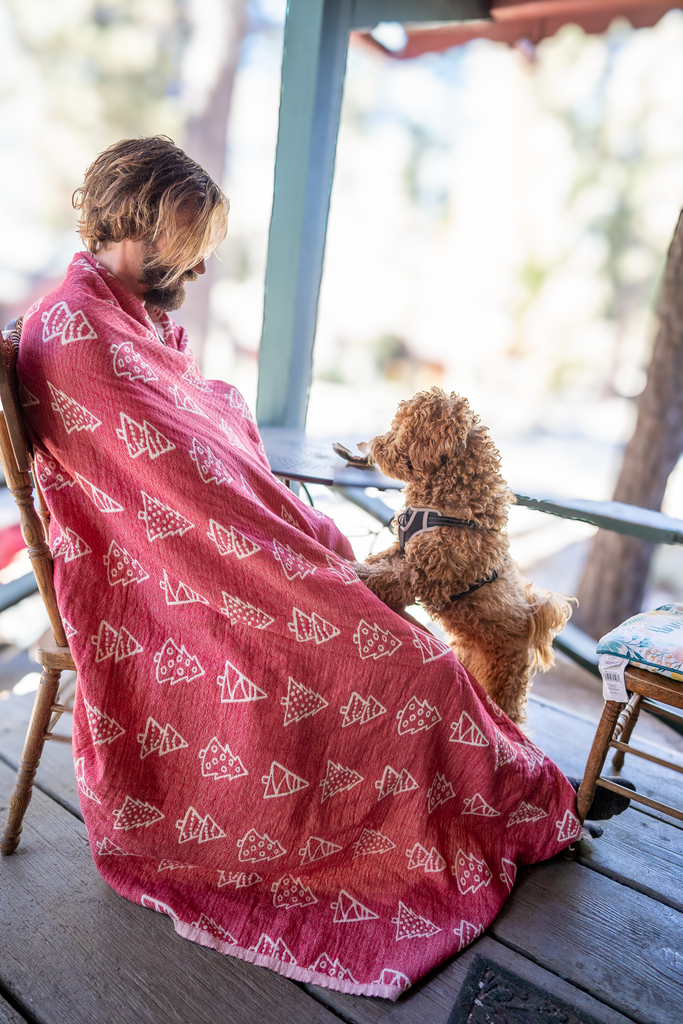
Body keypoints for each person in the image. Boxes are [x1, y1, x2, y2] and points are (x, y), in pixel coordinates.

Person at [17, 136, 626, 1000]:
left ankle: (512, 797)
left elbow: (204, 453)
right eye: (182, 246)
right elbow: (183, 489)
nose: (191, 270)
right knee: (412, 666)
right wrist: (301, 549)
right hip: (180, 586)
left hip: (228, 556)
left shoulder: (117, 315)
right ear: (137, 219)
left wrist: (301, 535)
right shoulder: (79, 327)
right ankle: (508, 804)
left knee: (407, 649)